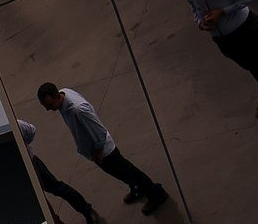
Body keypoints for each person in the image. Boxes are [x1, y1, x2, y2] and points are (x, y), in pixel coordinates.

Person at [37, 83, 169, 215]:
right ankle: (136, 187)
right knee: (122, 174)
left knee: (128, 172)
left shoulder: (78, 110)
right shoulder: (63, 94)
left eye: (49, 105)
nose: (48, 109)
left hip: (104, 152)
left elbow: (99, 132)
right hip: (96, 150)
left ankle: (155, 193)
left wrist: (97, 152)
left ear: (56, 96)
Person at [19, 118, 98, 224]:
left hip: (31, 163)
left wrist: (25, 146)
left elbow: (31, 130)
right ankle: (54, 221)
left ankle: (86, 210)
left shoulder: (16, 124)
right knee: (37, 199)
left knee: (57, 188)